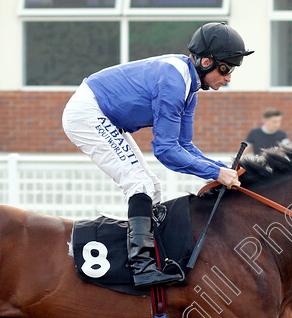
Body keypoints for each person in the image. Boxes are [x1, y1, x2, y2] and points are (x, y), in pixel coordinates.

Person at [62, 22, 252, 288]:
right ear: (206, 61)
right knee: (138, 184)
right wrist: (216, 173)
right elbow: (165, 151)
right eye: (226, 68)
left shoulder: (189, 87)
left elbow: (185, 145)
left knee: (152, 186)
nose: (229, 77)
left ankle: (155, 260)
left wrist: (221, 168)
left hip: (102, 114)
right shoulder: (174, 83)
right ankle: (141, 267)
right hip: (88, 113)